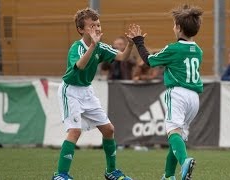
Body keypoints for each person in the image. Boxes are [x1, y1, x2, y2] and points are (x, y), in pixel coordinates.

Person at [52, 8, 133, 180]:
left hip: (86, 91)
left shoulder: (101, 47)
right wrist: (94, 46)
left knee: (109, 130)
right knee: (75, 131)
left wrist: (131, 44)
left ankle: (111, 172)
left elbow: (122, 57)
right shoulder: (77, 47)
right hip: (70, 90)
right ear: (81, 30)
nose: (96, 28)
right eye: (92, 25)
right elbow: (80, 65)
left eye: (98, 24)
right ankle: (61, 175)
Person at [127, 4, 203, 180]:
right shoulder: (198, 50)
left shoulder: (174, 48)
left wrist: (139, 41)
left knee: (172, 132)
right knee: (179, 137)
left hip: (178, 94)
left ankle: (184, 162)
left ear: (178, 28)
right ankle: (168, 176)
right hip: (195, 98)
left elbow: (149, 60)